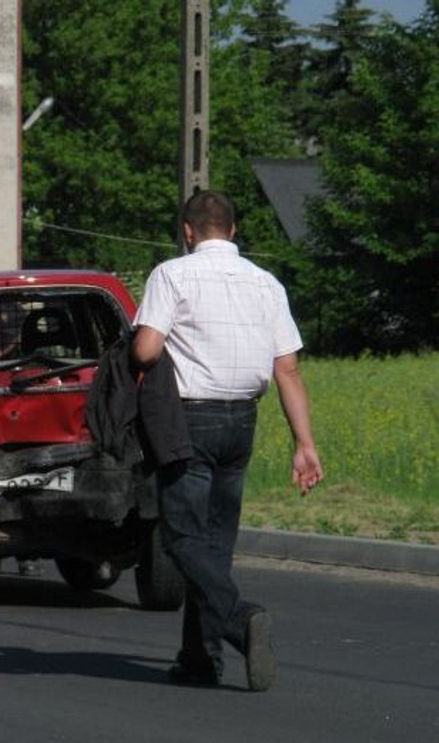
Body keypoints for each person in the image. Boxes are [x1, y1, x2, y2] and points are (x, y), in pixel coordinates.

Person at [131, 190, 323, 692]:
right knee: (214, 545)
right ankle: (199, 659)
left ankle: (238, 620)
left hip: (191, 420)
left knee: (181, 538)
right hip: (243, 423)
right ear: (233, 230)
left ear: (188, 232)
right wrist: (305, 443)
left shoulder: (172, 274)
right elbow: (288, 367)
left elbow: (147, 349)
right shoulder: (267, 283)